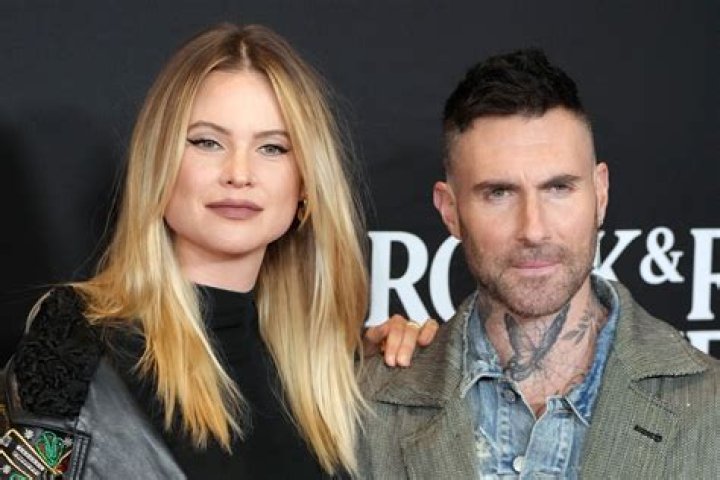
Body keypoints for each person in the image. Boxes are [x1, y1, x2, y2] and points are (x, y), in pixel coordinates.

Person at [0, 23, 437, 479]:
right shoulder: (76, 344)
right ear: (159, 162)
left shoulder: (328, 373)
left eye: (273, 147)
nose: (239, 173)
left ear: (306, 183)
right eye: (207, 142)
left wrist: (401, 368)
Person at [358, 48, 720, 479]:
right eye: (499, 193)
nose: (533, 229)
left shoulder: (710, 406)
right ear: (450, 210)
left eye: (558, 188)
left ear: (600, 193)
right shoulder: (367, 405)